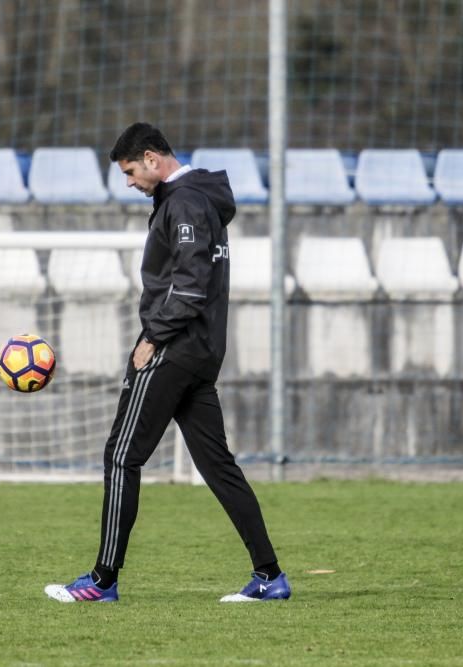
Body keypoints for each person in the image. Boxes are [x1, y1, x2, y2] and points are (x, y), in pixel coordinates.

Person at [44, 123, 291, 604]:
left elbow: (192, 284)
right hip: (200, 352)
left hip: (173, 347)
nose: (131, 182)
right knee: (219, 467)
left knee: (121, 457)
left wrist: (153, 338)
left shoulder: (184, 203)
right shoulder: (199, 198)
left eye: (132, 171)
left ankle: (101, 581)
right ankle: (270, 576)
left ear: (154, 159)